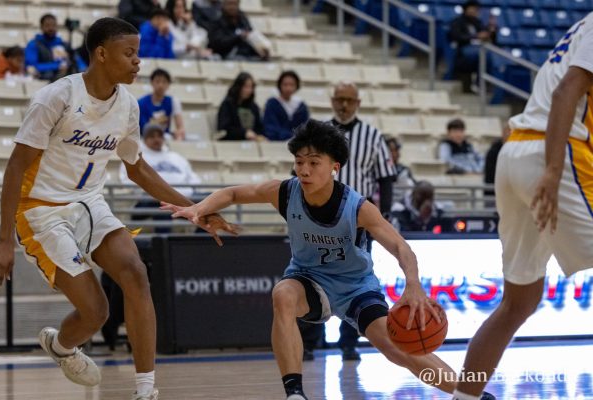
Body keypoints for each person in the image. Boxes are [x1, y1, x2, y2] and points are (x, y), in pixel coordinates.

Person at [160, 119, 495, 400]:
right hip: (308, 280)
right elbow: (233, 192)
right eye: (299, 162)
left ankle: (473, 394)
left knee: (400, 350)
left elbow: (400, 247)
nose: (304, 170)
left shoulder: (358, 207)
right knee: (282, 296)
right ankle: (295, 393)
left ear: (334, 167)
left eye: (313, 162)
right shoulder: (285, 192)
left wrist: (413, 284)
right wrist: (199, 208)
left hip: (356, 289)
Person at [0, 17, 236, 400]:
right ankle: (60, 346)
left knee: (136, 273)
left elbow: (137, 168)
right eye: (130, 53)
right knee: (97, 312)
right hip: (41, 210)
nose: (139, 61)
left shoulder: (127, 106)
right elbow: (15, 167)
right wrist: (4, 240)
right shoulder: (55, 98)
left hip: (89, 202)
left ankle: (145, 391)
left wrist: (197, 208)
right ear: (102, 54)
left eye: (138, 53)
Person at [450, 14, 593, 400]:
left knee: (518, 303)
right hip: (552, 153)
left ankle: (464, 397)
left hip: (514, 153)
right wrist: (551, 168)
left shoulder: (582, 26)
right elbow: (567, 93)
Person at [300, 81, 396, 362]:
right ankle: (308, 342)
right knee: (311, 278)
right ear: (332, 101)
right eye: (339, 99)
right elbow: (302, 173)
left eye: (349, 100)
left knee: (356, 282)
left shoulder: (373, 136)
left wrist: (384, 217)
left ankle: (348, 343)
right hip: (319, 220)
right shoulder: (318, 134)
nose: (344, 104)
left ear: (358, 103)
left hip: (359, 223)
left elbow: (386, 178)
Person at [120, 123, 202, 232]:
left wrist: (186, 194)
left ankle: (200, 244)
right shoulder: (136, 156)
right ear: (145, 139)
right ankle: (165, 246)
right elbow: (128, 179)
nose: (156, 139)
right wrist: (156, 193)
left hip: (181, 199)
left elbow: (194, 179)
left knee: (207, 203)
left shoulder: (176, 157)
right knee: (163, 205)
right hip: (150, 200)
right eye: (152, 136)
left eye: (159, 136)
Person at [448, 0, 496, 93]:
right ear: (466, 9)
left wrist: (491, 31)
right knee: (482, 55)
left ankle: (483, 83)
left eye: (476, 9)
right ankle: (480, 84)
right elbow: (456, 36)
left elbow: (487, 35)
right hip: (463, 52)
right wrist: (475, 36)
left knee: (488, 55)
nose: (474, 11)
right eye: (473, 8)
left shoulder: (478, 22)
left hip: (479, 50)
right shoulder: (457, 21)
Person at [138, 68, 185, 140]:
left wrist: (179, 135)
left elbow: (180, 127)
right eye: (157, 81)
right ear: (152, 83)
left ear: (168, 84)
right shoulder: (141, 102)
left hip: (164, 138)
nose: (160, 85)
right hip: (145, 139)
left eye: (164, 82)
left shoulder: (173, 101)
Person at [217, 71, 265, 141]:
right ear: (238, 87)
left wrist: (257, 135)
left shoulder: (254, 106)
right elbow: (224, 128)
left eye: (251, 87)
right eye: (246, 87)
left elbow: (259, 128)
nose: (249, 90)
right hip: (232, 143)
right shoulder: (227, 104)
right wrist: (244, 133)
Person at [263, 70, 310, 141]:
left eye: (292, 85)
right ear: (280, 85)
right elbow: (270, 127)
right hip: (276, 142)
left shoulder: (301, 106)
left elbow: (304, 128)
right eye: (285, 85)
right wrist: (288, 136)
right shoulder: (272, 104)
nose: (288, 88)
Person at [25, 14, 71, 82]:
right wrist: (56, 66)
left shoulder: (63, 44)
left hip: (62, 79)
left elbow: (71, 62)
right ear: (41, 27)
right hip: (43, 79)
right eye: (47, 25)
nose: (51, 28)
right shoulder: (33, 44)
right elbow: (32, 67)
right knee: (48, 73)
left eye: (53, 25)